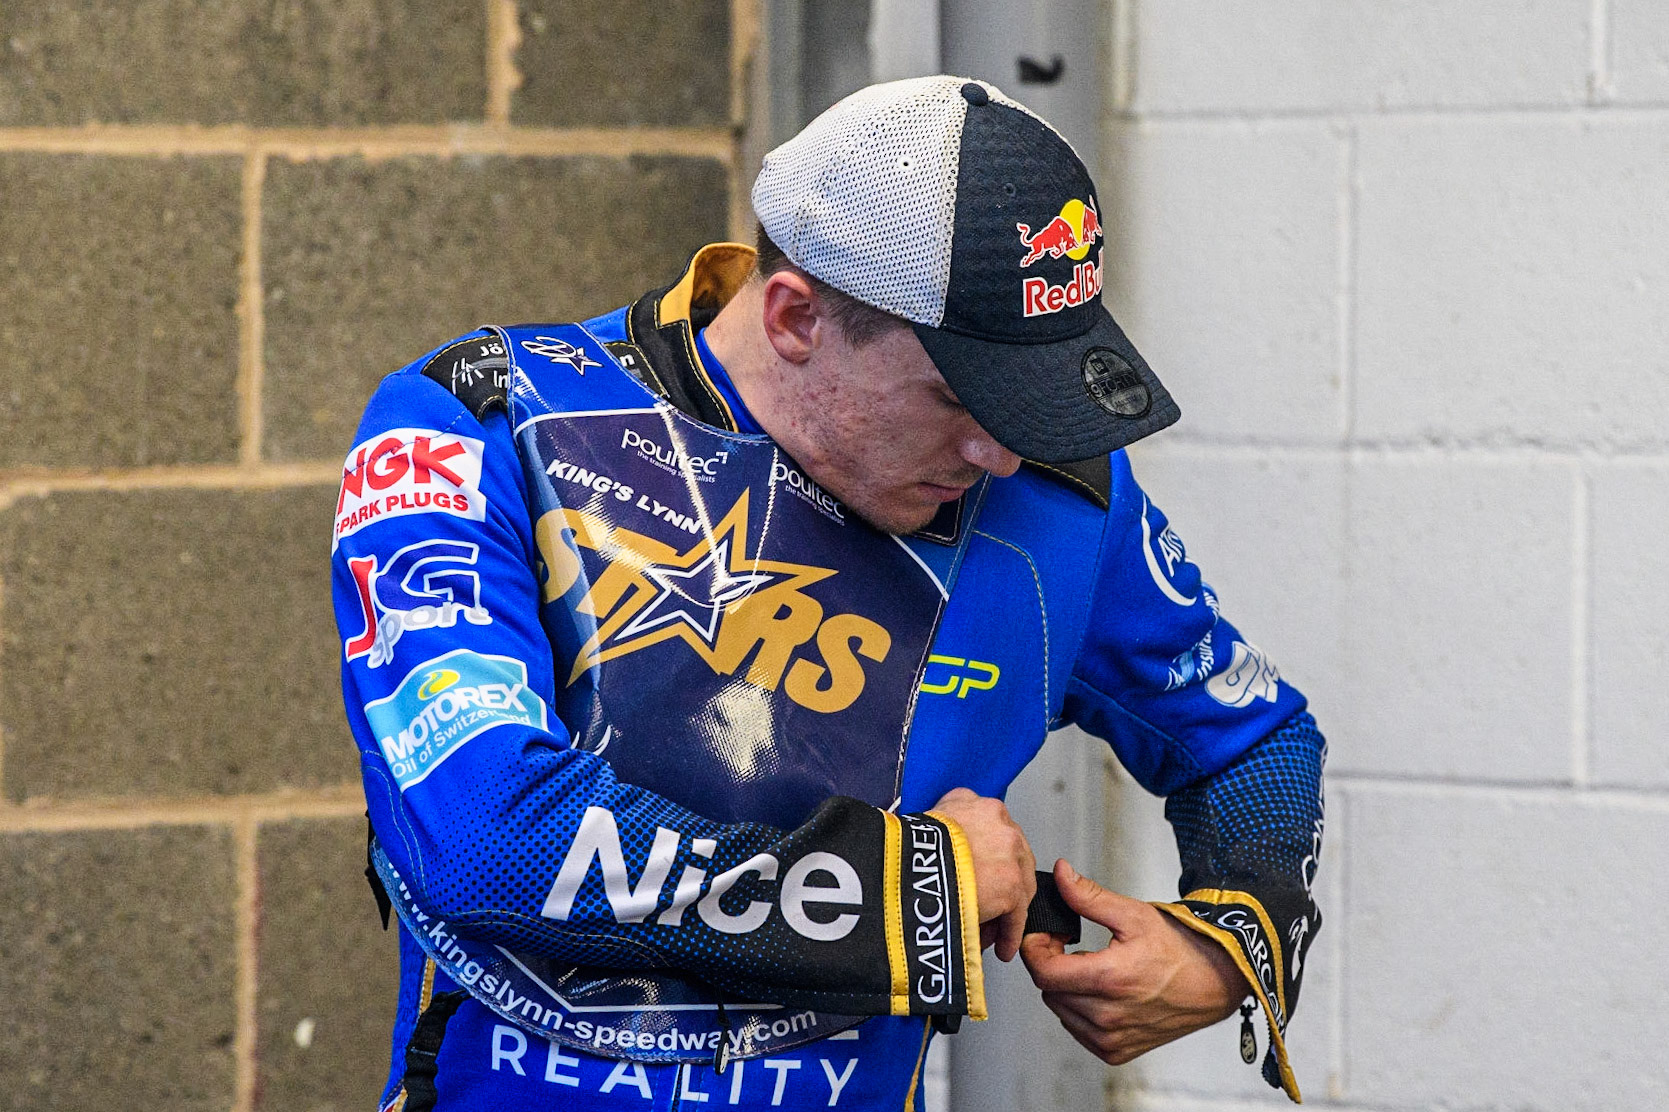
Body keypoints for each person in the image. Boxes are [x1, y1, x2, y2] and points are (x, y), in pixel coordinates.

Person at [332, 75, 1326, 1112]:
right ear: (796, 316)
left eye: (1027, 399)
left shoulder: (1061, 504)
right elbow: (482, 836)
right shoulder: (476, 423)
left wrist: (1229, 945)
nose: (996, 453)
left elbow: (1255, 739)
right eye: (957, 398)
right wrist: (915, 893)